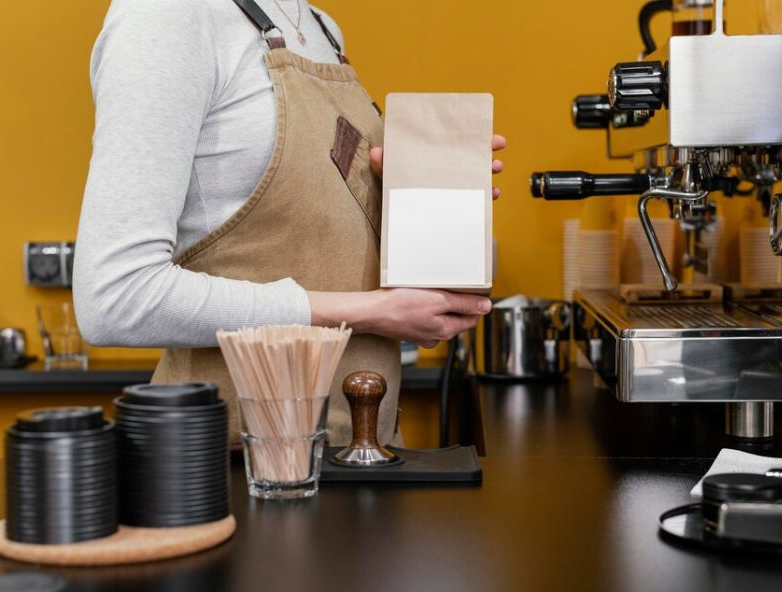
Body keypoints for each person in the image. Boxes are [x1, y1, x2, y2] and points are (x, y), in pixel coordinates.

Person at [73, 0, 506, 446]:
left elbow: (313, 230)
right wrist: (370, 312)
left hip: (359, 454)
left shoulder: (320, 27)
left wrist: (415, 189)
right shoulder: (168, 15)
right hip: (229, 470)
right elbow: (115, 298)